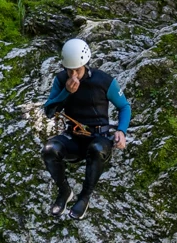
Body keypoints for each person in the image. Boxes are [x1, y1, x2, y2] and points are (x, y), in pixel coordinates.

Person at [42, 38, 130, 221]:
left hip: (99, 137)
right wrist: (66, 92)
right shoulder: (60, 80)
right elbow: (50, 111)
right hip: (73, 136)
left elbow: (124, 106)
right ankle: (65, 192)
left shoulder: (103, 81)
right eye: (69, 70)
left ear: (85, 64)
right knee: (50, 150)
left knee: (97, 150)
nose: (73, 74)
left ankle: (84, 196)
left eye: (78, 70)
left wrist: (121, 130)